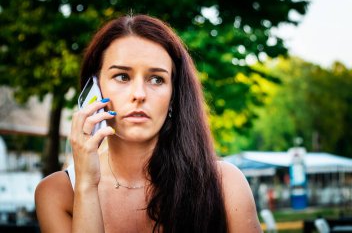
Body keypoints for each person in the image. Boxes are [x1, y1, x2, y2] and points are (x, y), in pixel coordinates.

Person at [35, 14, 262, 233]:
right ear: (94, 90)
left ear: (174, 96)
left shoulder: (225, 184)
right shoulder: (56, 193)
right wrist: (86, 185)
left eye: (156, 79)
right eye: (122, 76)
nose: (139, 94)